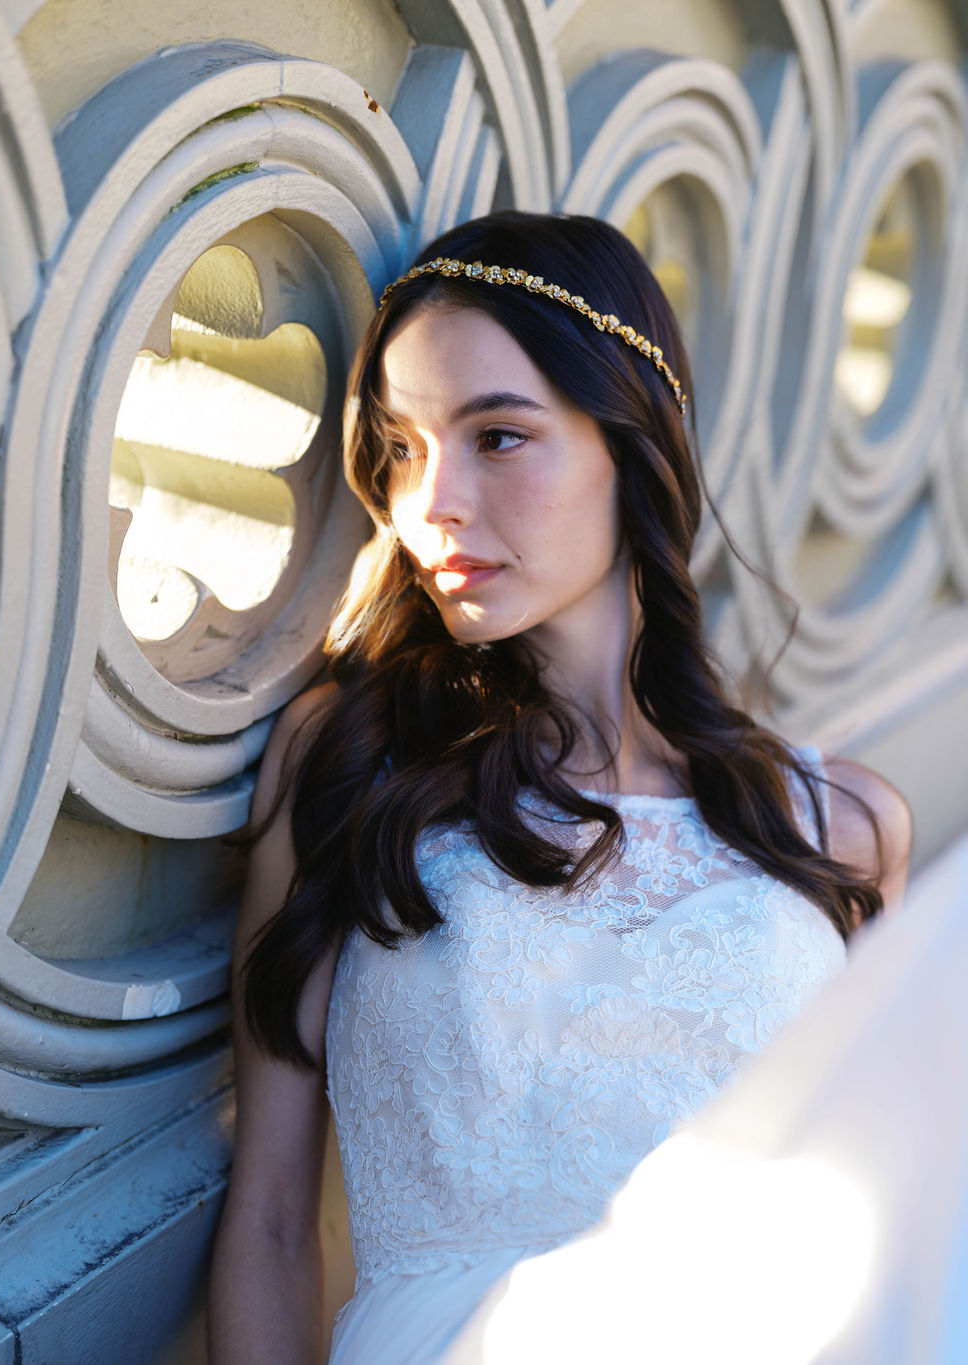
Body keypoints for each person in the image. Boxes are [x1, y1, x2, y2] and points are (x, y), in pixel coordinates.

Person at [207, 210, 912, 1365]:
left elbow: (887, 1203)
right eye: (401, 446)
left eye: (496, 437)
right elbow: (274, 1215)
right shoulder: (350, 767)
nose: (431, 504)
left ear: (629, 440)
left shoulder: (839, 825)